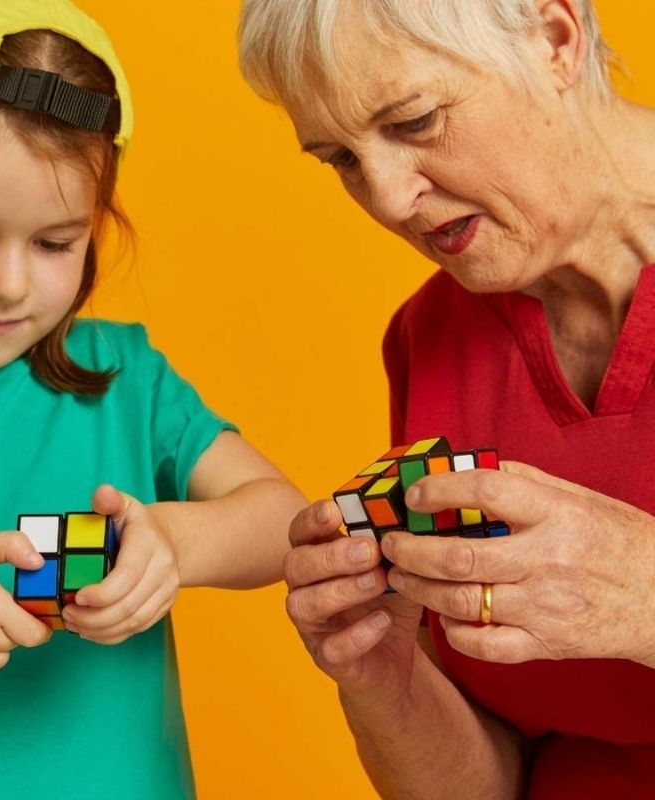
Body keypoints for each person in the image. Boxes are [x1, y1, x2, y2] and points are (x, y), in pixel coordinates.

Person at [0, 1, 306, 797]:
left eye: (57, 242)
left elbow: (285, 520)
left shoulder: (124, 375)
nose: (9, 284)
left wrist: (171, 542)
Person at [238, 0, 655, 797]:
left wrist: (645, 592)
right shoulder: (428, 337)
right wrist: (385, 684)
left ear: (554, 39)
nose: (388, 199)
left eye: (415, 119)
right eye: (341, 159)